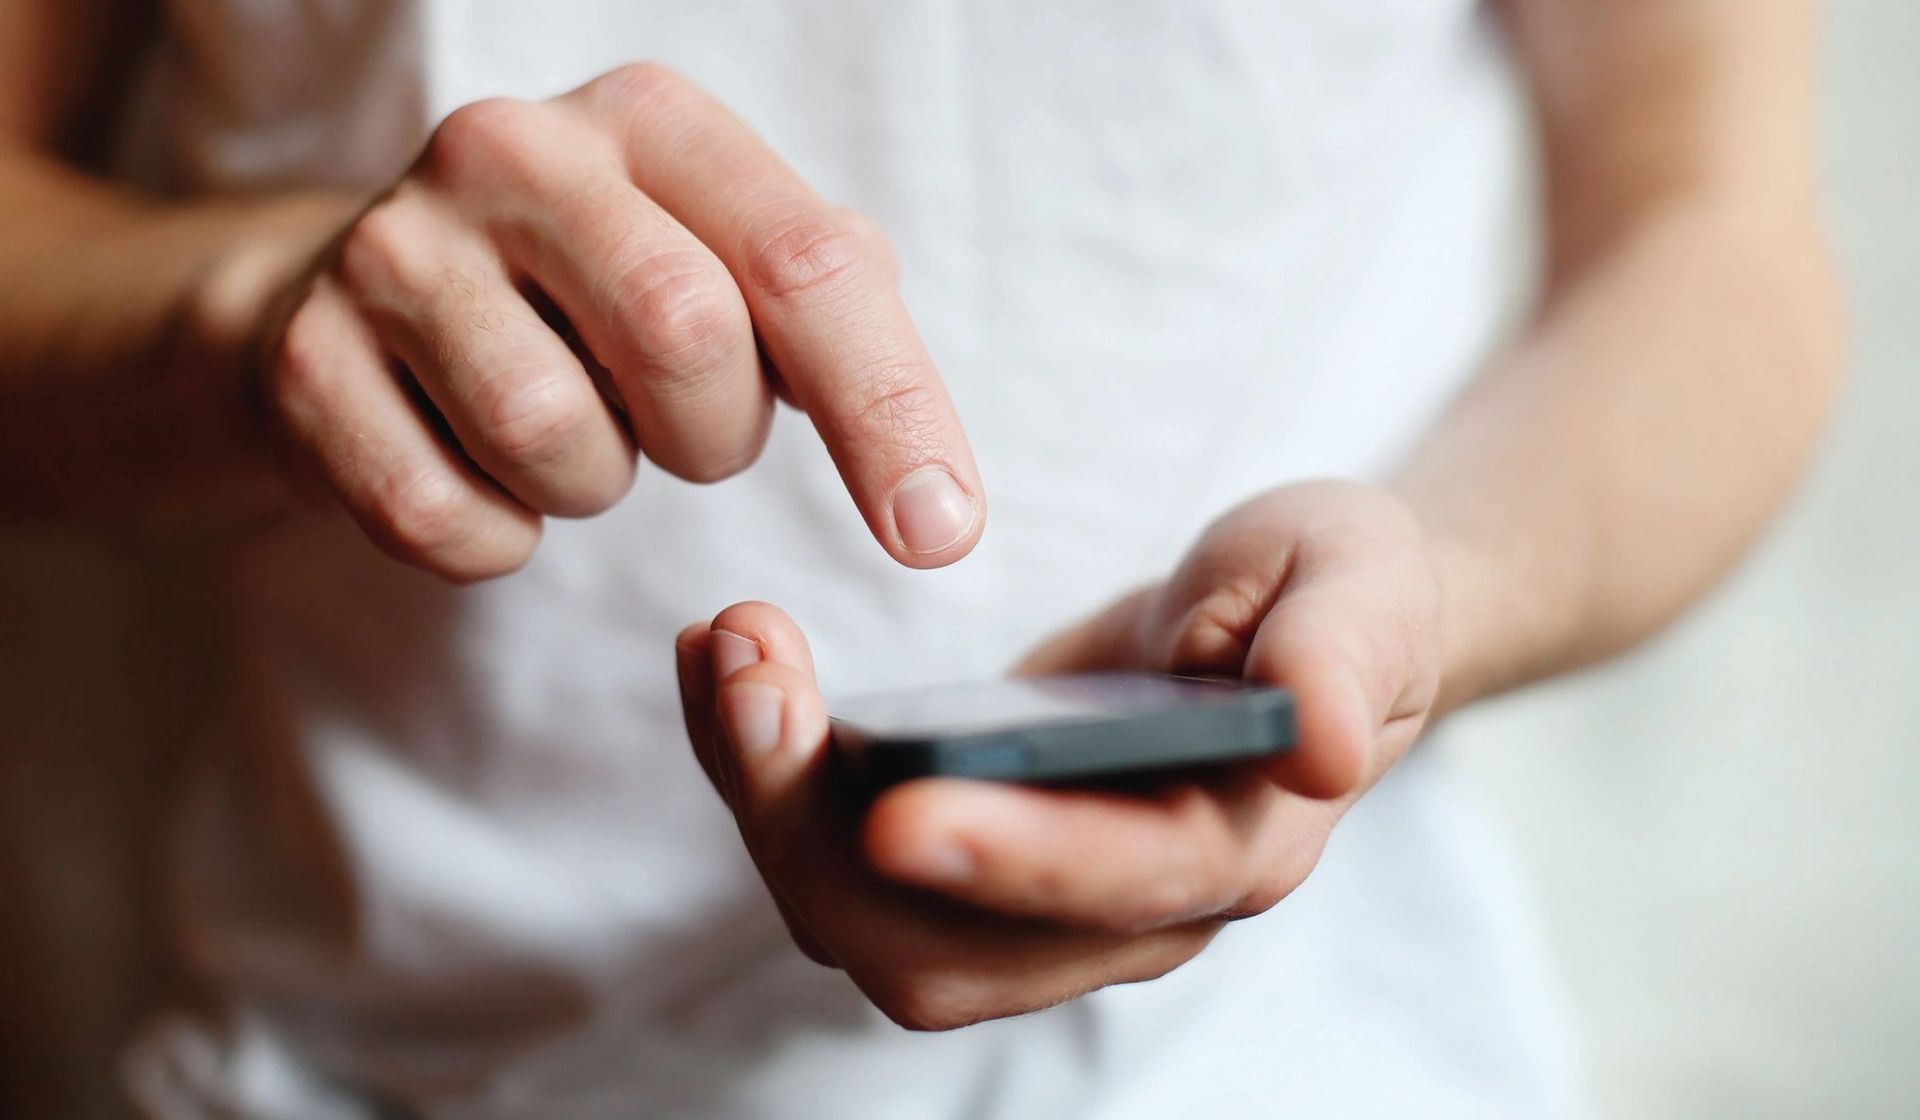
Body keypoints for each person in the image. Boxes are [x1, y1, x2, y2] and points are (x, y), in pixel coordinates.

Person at [0, 1, 1844, 1116]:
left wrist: (1428, 592)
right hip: (359, 1066)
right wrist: (253, 325)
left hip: (1293, 1065)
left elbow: (1714, 238)